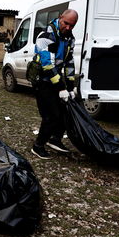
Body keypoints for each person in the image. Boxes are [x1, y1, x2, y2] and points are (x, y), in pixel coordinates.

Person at [30, 9, 78, 159]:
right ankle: (38, 146)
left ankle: (55, 140)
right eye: (66, 23)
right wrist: (61, 88)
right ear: (60, 18)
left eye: (72, 25)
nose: (68, 28)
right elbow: (48, 65)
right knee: (51, 116)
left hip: (54, 78)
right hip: (42, 80)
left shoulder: (70, 38)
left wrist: (71, 86)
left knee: (66, 110)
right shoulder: (46, 36)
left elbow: (69, 62)